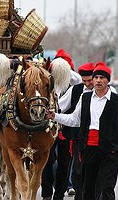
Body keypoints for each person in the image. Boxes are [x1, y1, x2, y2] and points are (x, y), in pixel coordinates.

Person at [47, 61, 118, 200]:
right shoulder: (85, 98)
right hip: (89, 149)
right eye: (96, 77)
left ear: (107, 81)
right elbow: (74, 120)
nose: (98, 80)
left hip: (109, 150)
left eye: (102, 78)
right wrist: (55, 116)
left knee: (106, 187)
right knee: (88, 187)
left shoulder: (115, 99)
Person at [41, 49, 80, 200]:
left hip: (67, 128)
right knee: (47, 161)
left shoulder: (73, 84)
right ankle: (46, 193)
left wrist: (64, 67)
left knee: (64, 163)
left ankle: (59, 193)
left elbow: (78, 78)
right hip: (48, 127)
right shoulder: (48, 84)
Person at [59, 62, 95, 200]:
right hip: (79, 139)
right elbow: (62, 108)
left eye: (89, 80)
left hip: (99, 141)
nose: (87, 84)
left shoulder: (110, 93)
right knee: (78, 172)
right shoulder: (75, 90)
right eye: (84, 81)